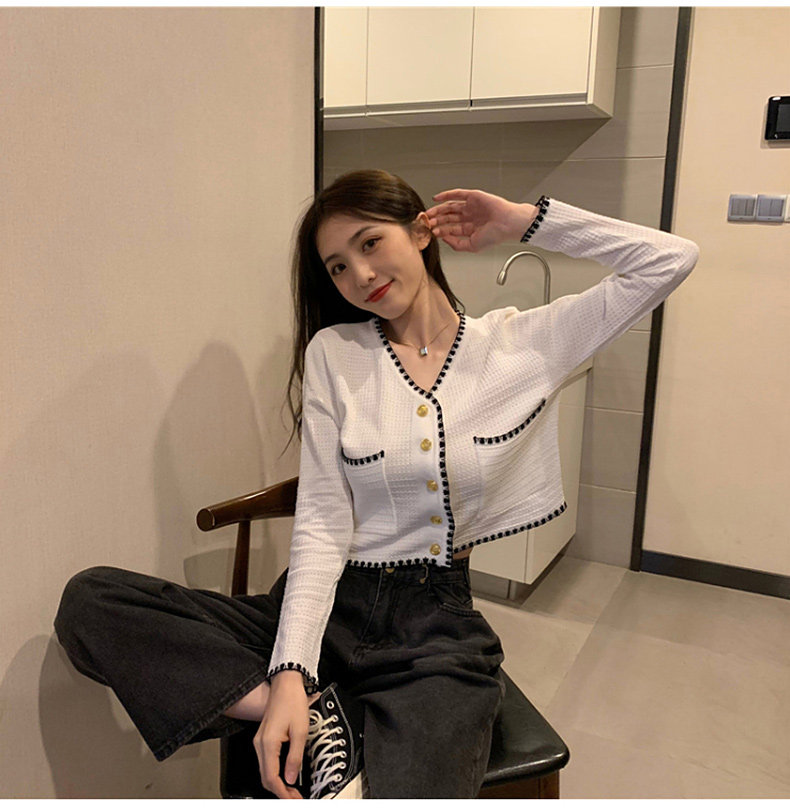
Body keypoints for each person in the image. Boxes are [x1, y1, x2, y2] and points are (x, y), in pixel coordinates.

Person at [54, 170, 699, 799]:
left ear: (420, 231)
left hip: (434, 633)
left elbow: (669, 260)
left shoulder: (523, 344)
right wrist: (289, 675)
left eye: (370, 243)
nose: (359, 275)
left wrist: (522, 222)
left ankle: (322, 722)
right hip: (331, 603)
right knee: (92, 602)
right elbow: (323, 522)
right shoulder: (333, 353)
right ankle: (311, 716)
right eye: (337, 266)